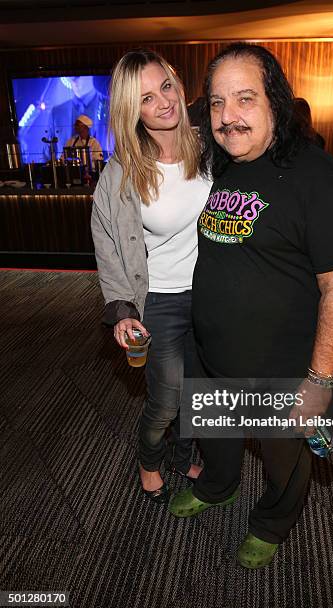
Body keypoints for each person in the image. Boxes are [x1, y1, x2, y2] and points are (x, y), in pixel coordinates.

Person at [168, 43, 333, 568]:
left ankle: (272, 523)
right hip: (211, 353)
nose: (228, 117)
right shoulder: (225, 162)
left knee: (285, 464)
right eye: (216, 103)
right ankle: (218, 487)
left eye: (244, 99)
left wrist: (320, 382)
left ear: (275, 103)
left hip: (281, 372)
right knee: (215, 439)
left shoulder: (319, 178)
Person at [91, 50, 211, 504]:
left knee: (198, 394)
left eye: (166, 86)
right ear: (131, 110)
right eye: (145, 97)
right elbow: (106, 241)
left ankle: (183, 456)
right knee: (166, 400)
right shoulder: (123, 171)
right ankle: (149, 460)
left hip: (210, 296)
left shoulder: (210, 147)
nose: (163, 101)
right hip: (158, 299)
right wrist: (121, 309)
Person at [49, 76, 109, 157]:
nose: (72, 78)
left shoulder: (111, 107)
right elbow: (49, 153)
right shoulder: (57, 112)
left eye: (77, 76)